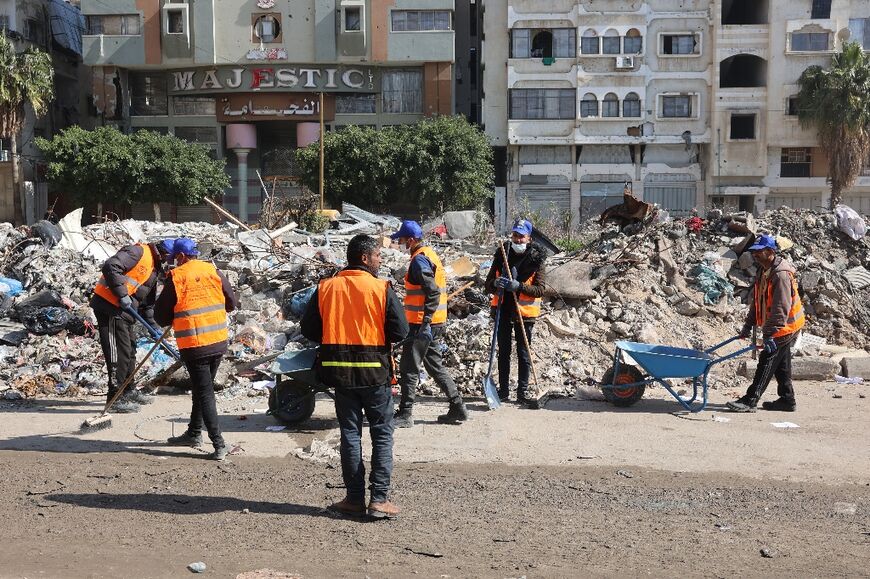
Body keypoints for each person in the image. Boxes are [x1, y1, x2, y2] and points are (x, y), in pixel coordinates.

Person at [301, 234, 409, 519]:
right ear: (364, 258)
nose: (380, 261)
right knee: (382, 433)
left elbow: (309, 329)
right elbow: (401, 331)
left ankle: (354, 499)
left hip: (340, 375)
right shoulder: (380, 288)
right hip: (375, 373)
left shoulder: (326, 288)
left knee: (350, 434)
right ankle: (379, 499)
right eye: (377, 256)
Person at [154, 237, 238, 460]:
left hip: (195, 344)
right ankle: (193, 433)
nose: (174, 263)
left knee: (204, 391)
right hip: (218, 340)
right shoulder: (213, 271)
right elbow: (231, 302)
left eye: (175, 259)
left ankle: (219, 444)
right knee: (202, 388)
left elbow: (160, 316)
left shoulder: (178, 277)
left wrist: (175, 314)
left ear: (181, 257)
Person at [390, 220, 469, 428]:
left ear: (412, 240)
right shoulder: (429, 255)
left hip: (421, 324)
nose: (400, 243)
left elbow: (432, 291)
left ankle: (405, 414)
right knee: (434, 366)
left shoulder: (419, 261)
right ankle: (458, 406)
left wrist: (425, 321)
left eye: (402, 239)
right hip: (434, 322)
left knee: (409, 367)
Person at [91, 238, 175, 413]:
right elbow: (110, 266)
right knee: (118, 354)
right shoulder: (137, 252)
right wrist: (121, 293)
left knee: (130, 350)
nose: (170, 262)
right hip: (111, 307)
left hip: (126, 312)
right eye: (170, 257)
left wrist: (154, 328)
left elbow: (147, 304)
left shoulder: (154, 267)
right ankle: (114, 398)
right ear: (164, 253)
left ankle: (128, 390)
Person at [727, 234, 805, 412]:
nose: (755, 255)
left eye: (759, 252)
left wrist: (769, 333)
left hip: (786, 325)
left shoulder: (781, 275)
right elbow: (758, 301)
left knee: (767, 360)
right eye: (754, 252)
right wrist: (748, 326)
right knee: (781, 363)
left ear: (770, 252)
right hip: (781, 324)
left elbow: (781, 307)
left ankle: (750, 400)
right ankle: (787, 400)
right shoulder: (763, 270)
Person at [484, 218, 547, 405]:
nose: (517, 240)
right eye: (515, 235)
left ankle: (523, 391)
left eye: (521, 236)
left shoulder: (536, 259)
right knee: (503, 350)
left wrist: (518, 286)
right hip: (503, 309)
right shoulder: (502, 254)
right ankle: (503, 391)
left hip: (524, 313)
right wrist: (495, 284)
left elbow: (540, 289)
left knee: (523, 352)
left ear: (529, 238)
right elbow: (488, 284)